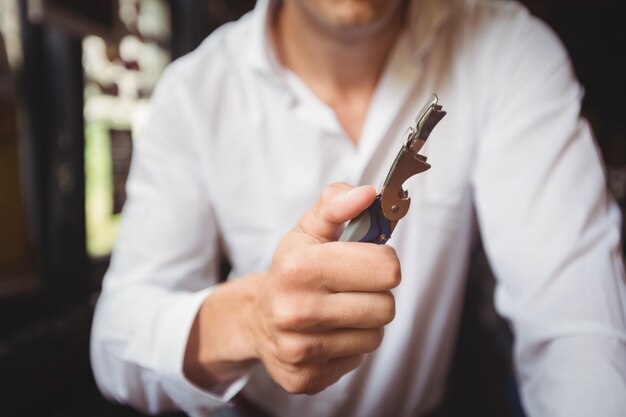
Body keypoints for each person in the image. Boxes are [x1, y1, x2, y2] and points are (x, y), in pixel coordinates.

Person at [90, 0, 626, 416]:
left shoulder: (509, 49)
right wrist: (251, 320)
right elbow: (116, 342)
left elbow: (578, 331)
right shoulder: (194, 92)